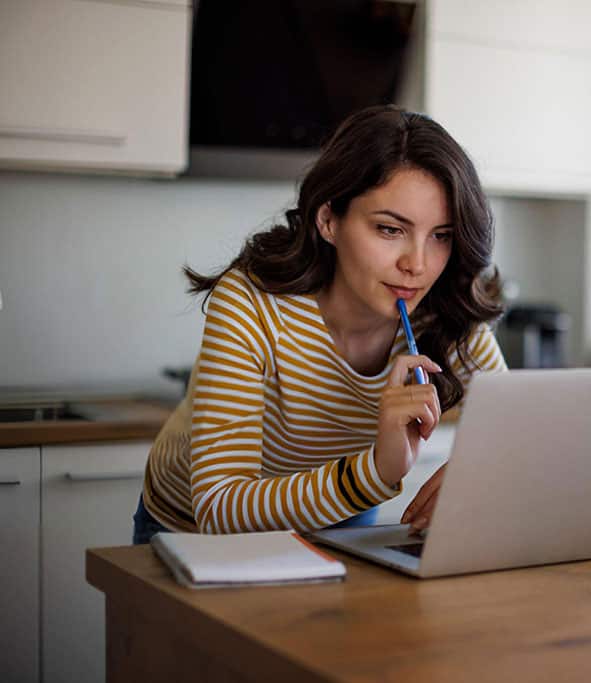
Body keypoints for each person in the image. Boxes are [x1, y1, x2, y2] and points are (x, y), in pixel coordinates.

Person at [133, 105, 507, 544]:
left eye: (441, 236)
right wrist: (375, 473)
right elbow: (219, 506)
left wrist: (481, 468)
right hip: (193, 532)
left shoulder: (445, 309)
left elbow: (520, 433)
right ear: (329, 219)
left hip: (338, 517)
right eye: (390, 229)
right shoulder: (252, 302)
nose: (418, 265)